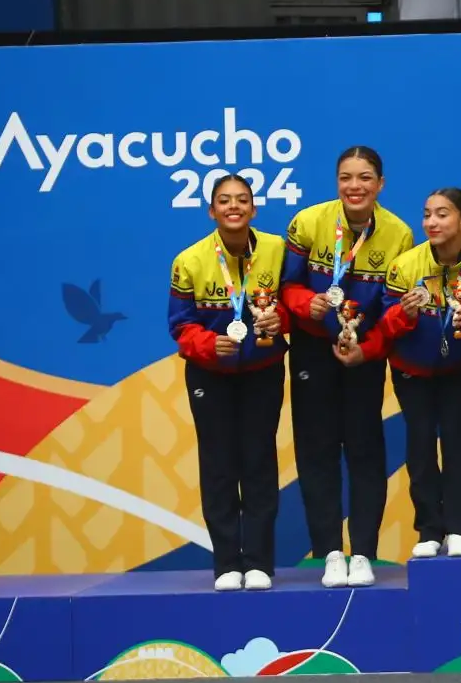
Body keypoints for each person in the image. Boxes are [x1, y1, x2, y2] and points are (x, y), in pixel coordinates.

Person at [280, 147, 413, 588]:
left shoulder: (399, 234)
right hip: (313, 348)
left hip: (361, 352)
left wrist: (367, 349)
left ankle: (363, 552)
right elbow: (286, 285)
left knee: (364, 450)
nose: (355, 186)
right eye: (346, 177)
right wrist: (308, 304)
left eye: (365, 178)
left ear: (381, 184)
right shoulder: (309, 222)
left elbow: (393, 304)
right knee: (316, 451)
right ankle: (330, 552)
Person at [343, 188, 461, 560]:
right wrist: (404, 315)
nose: (431, 222)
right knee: (421, 447)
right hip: (411, 372)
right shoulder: (404, 266)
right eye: (427, 214)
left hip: (458, 372)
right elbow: (386, 327)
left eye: (442, 215)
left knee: (457, 446)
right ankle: (429, 528)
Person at [169, 174, 288, 592]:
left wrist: (282, 319)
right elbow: (180, 325)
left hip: (263, 370)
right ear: (212, 211)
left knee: (258, 461)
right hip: (210, 374)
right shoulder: (189, 260)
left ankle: (257, 562)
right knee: (218, 465)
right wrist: (207, 344)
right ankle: (226, 564)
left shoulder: (276, 250)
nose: (233, 206)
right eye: (224, 201)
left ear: (253, 210)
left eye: (242, 200)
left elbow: (292, 303)